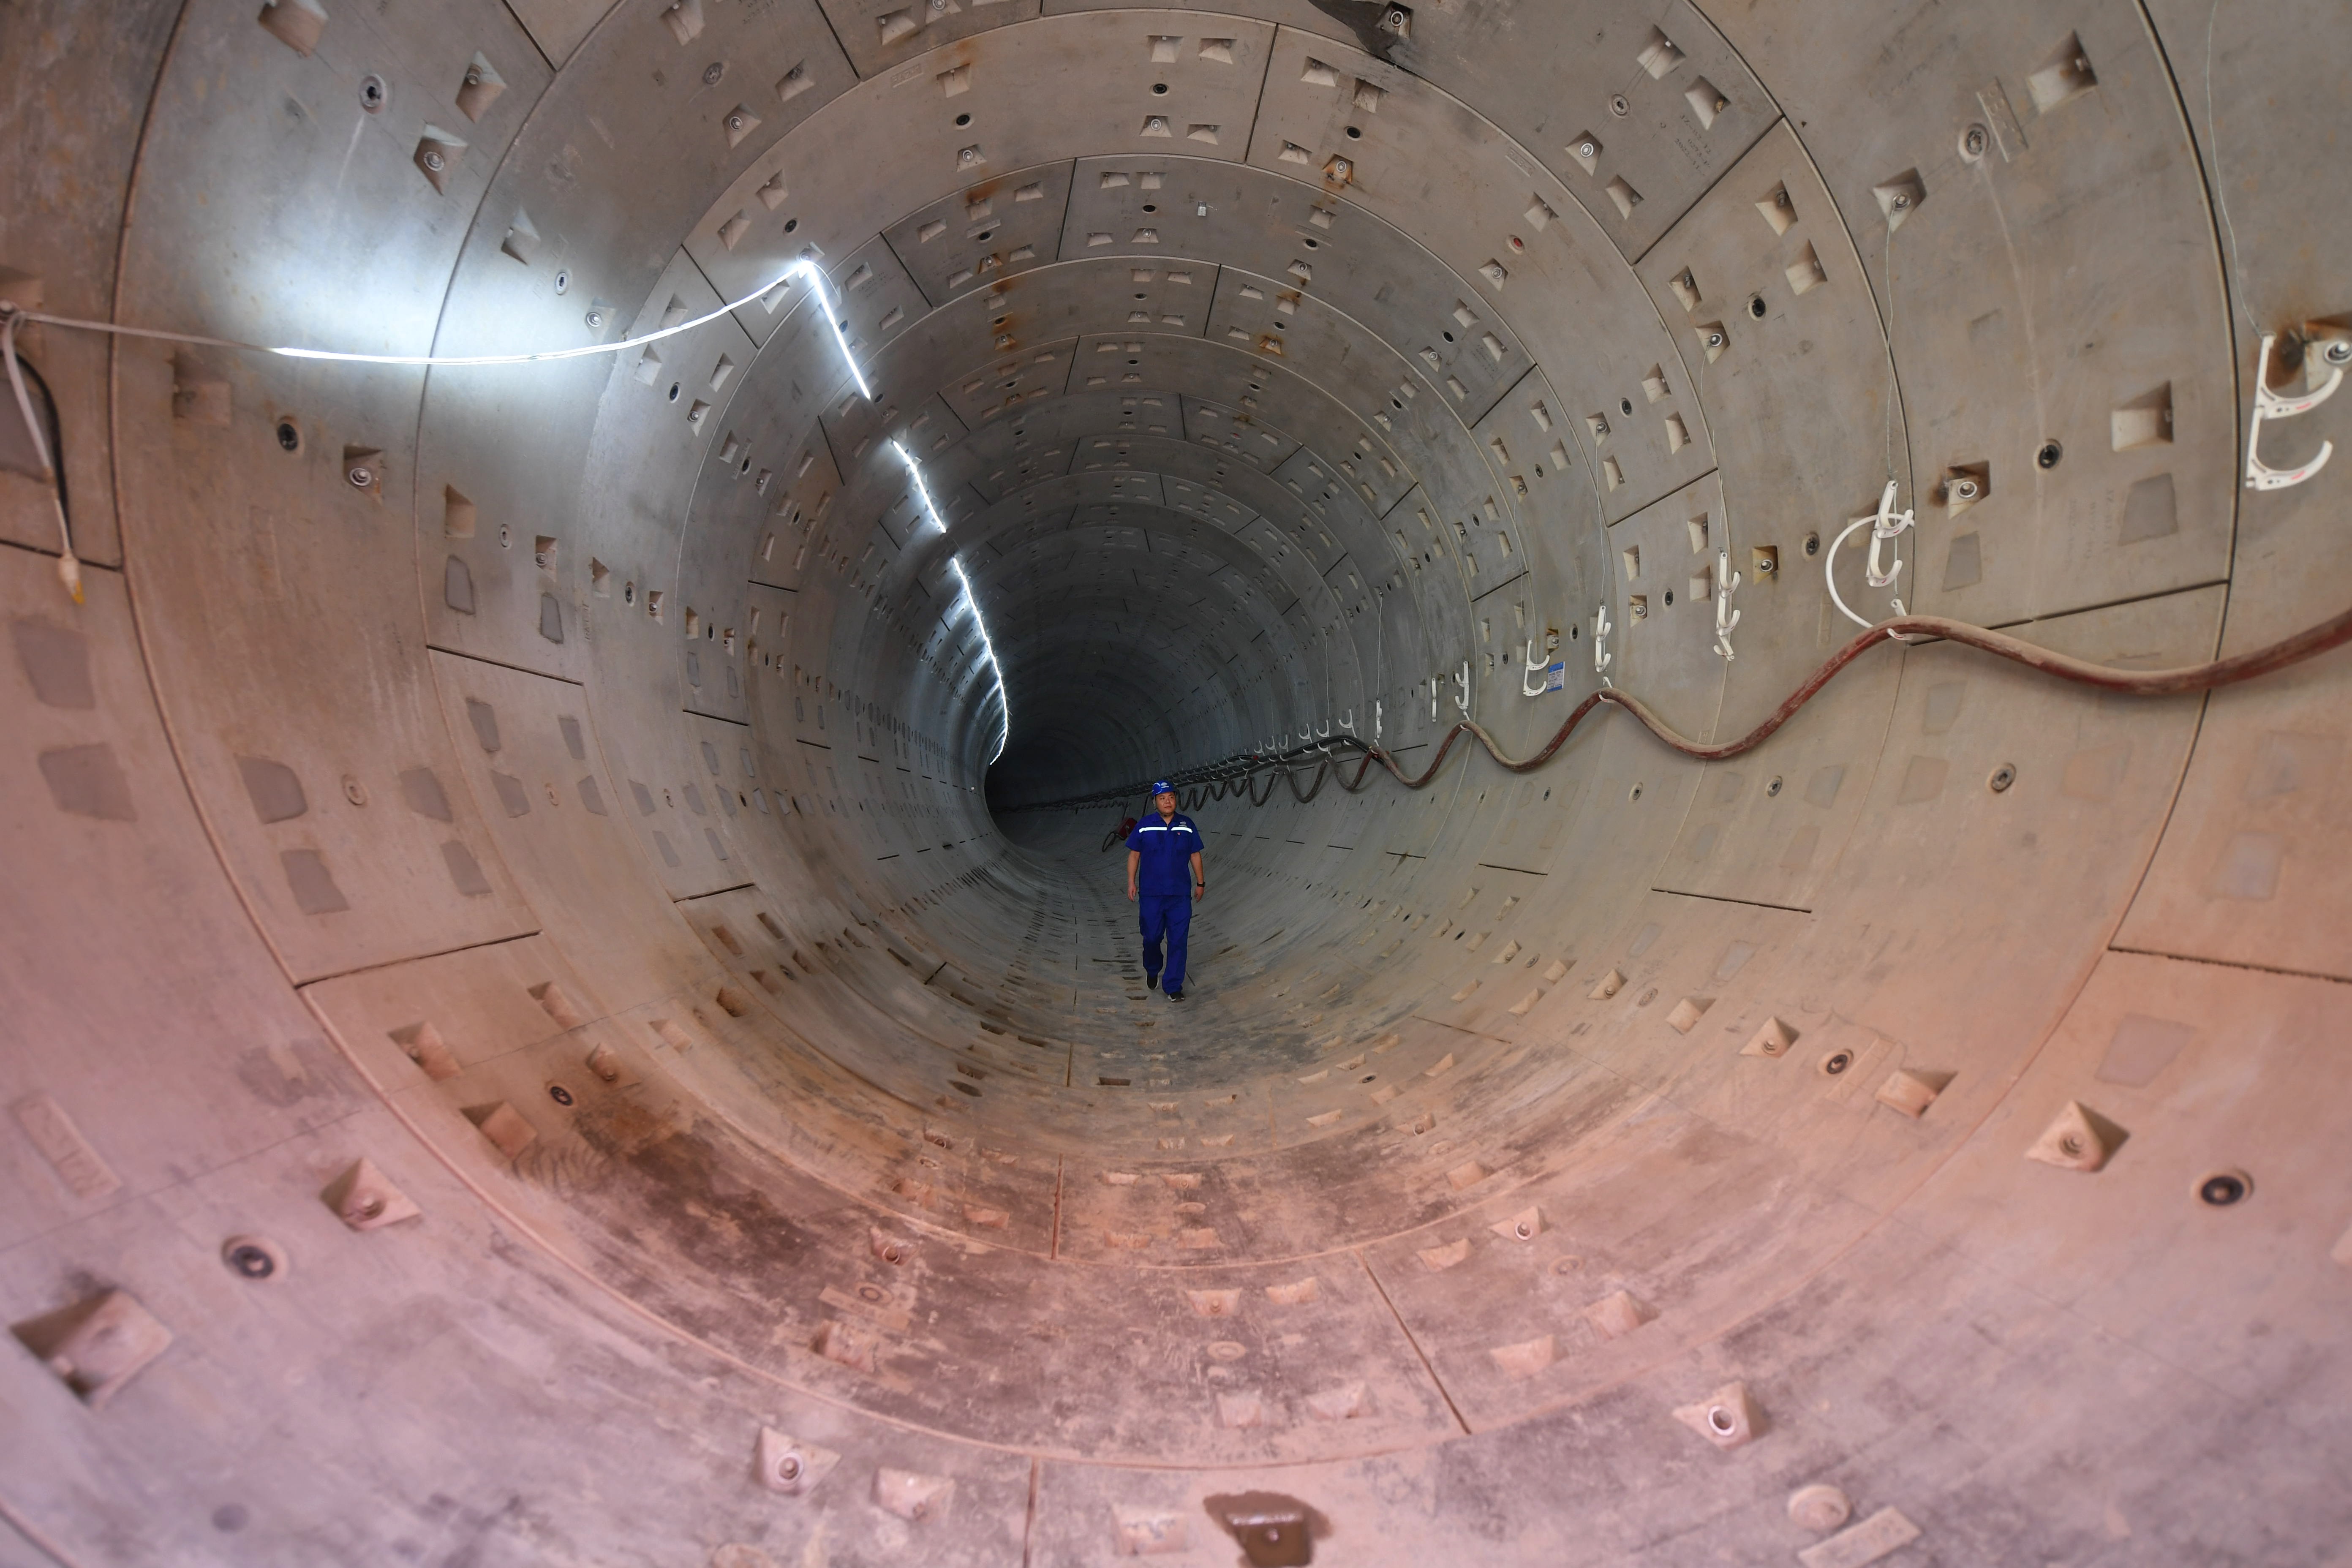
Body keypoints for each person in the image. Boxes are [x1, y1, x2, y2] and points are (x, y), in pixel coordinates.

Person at [1125, 782, 1204, 1000]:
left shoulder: (1186, 825)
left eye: (1171, 797)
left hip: (1179, 895)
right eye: (1162, 798)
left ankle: (1173, 986)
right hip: (1151, 895)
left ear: (1175, 800)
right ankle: (1153, 968)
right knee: (1152, 937)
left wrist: (1200, 883)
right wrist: (1131, 882)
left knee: (1178, 940)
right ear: (1155, 802)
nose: (1168, 801)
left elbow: (1195, 854)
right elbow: (1134, 856)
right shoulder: (1144, 826)